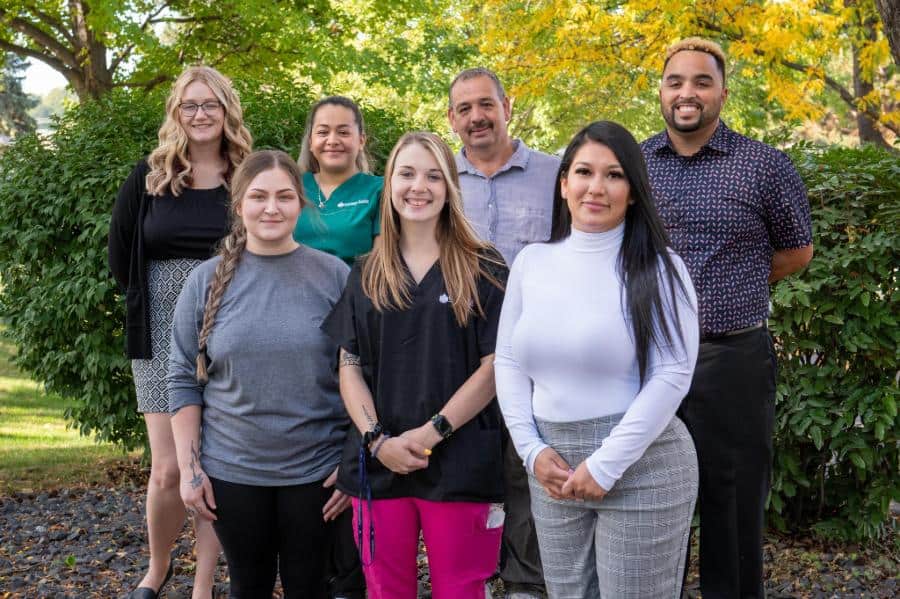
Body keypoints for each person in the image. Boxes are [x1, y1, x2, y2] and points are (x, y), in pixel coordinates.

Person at [495, 120, 700, 598]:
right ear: (563, 182)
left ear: (633, 191)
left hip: (641, 465)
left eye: (614, 175)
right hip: (552, 468)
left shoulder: (662, 268)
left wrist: (605, 465)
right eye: (584, 172)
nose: (596, 187)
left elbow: (673, 374)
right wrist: (531, 451)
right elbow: (507, 361)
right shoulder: (532, 263)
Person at [640, 38, 813, 599]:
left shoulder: (764, 166)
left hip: (732, 357)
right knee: (648, 498)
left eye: (701, 82)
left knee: (732, 502)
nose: (686, 93)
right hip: (647, 358)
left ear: (722, 92)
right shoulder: (634, 165)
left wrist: (730, 286)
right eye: (675, 82)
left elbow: (797, 251)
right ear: (661, 92)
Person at [321, 132, 508, 599]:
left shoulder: (483, 267)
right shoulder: (366, 271)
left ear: (449, 187)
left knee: (461, 589)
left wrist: (430, 434)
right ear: (390, 184)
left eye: (432, 175)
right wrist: (375, 439)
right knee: (386, 589)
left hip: (461, 459)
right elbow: (350, 365)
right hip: (381, 463)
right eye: (406, 173)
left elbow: (495, 366)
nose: (418, 186)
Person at [168, 150, 352, 598]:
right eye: (259, 196)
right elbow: (181, 378)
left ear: (301, 203)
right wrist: (191, 470)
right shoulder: (205, 281)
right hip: (233, 472)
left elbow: (362, 374)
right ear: (239, 204)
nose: (272, 208)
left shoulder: (334, 275)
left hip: (317, 474)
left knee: (309, 586)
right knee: (248, 585)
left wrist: (353, 461)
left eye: (285, 197)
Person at [108, 65, 252, 599]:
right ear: (176, 112)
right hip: (159, 333)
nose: (199, 114)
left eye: (209, 104)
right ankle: (157, 565)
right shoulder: (147, 177)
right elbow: (122, 259)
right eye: (189, 105)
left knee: (214, 464)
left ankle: (204, 580)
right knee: (169, 469)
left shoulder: (246, 178)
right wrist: (171, 298)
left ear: (226, 110)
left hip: (231, 329)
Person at [448, 67, 558, 599]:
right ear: (451, 119)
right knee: (466, 460)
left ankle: (525, 581)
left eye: (486, 104)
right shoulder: (437, 179)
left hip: (531, 346)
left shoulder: (556, 175)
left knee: (523, 461)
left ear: (508, 106)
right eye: (464, 109)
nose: (477, 117)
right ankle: (469, 573)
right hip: (456, 346)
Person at [294, 96, 383, 264]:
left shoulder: (380, 191)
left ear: (361, 140)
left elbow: (380, 265)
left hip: (354, 289)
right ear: (311, 142)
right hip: (293, 287)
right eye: (323, 132)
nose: (333, 141)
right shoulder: (292, 187)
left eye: (343, 132)